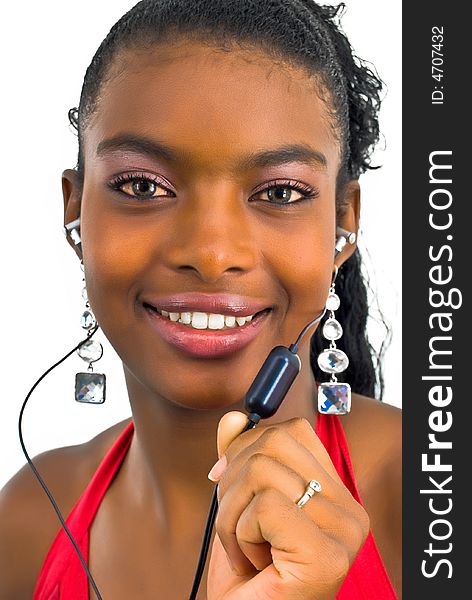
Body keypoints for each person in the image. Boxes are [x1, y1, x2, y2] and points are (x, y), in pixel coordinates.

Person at [0, 0, 401, 598]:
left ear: (342, 225)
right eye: (142, 186)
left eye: (282, 192)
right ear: (74, 211)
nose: (212, 254)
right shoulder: (30, 516)